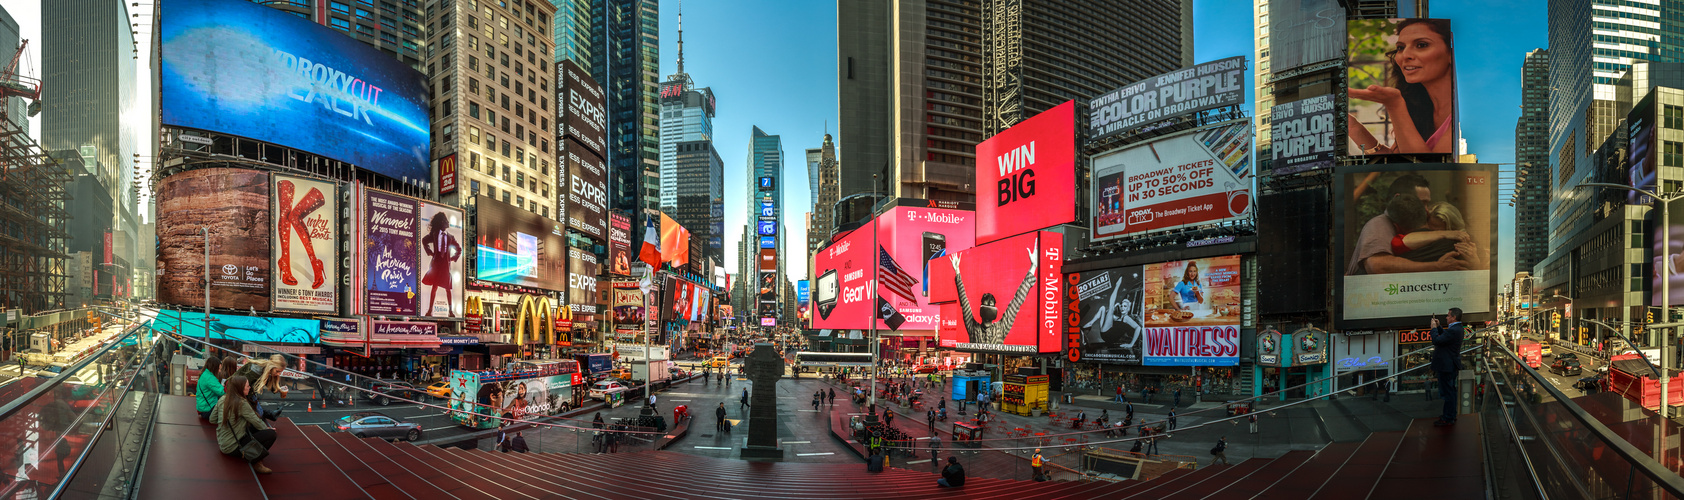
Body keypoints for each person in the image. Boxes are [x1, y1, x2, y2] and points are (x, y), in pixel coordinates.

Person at [1347, 19, 1456, 155]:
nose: (1405, 55)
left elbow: (1426, 171)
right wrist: (1354, 129)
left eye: (1421, 45)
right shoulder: (1419, 106)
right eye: (1400, 47)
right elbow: (1400, 163)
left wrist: (1394, 105)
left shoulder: (1465, 113)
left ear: (1451, 54)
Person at [1347, 174, 1479, 275]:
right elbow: (1377, 265)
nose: (1426, 210)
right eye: (1422, 203)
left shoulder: (1410, 224)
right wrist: (1436, 266)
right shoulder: (1379, 224)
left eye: (1428, 203)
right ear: (1398, 199)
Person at [949, 247, 1038, 345]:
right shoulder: (973, 328)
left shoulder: (1001, 328)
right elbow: (964, 300)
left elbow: (1017, 301)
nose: (988, 308)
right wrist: (957, 270)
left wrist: (1033, 267)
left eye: (990, 305)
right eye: (986, 305)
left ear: (995, 310)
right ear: (981, 309)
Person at [210, 376, 276, 474]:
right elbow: (257, 422)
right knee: (271, 434)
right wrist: (267, 429)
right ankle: (256, 459)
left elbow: (212, 419)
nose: (250, 387)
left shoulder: (223, 398)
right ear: (240, 388)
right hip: (233, 446)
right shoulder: (241, 403)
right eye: (247, 386)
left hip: (223, 442)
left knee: (252, 427)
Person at [1431, 308, 1466, 426]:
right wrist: (1439, 327)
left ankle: (1448, 417)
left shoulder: (1454, 330)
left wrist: (1434, 328)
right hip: (1450, 365)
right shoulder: (1457, 329)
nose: (1446, 317)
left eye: (1448, 315)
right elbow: (1446, 337)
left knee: (1448, 393)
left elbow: (1437, 340)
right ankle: (1451, 414)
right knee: (1451, 391)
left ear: (1453, 317)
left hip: (1446, 366)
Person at [195, 354, 226, 420]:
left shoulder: (205, 374)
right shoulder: (209, 378)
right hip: (208, 410)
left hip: (203, 408)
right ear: (214, 367)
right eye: (219, 368)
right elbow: (222, 392)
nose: (220, 371)